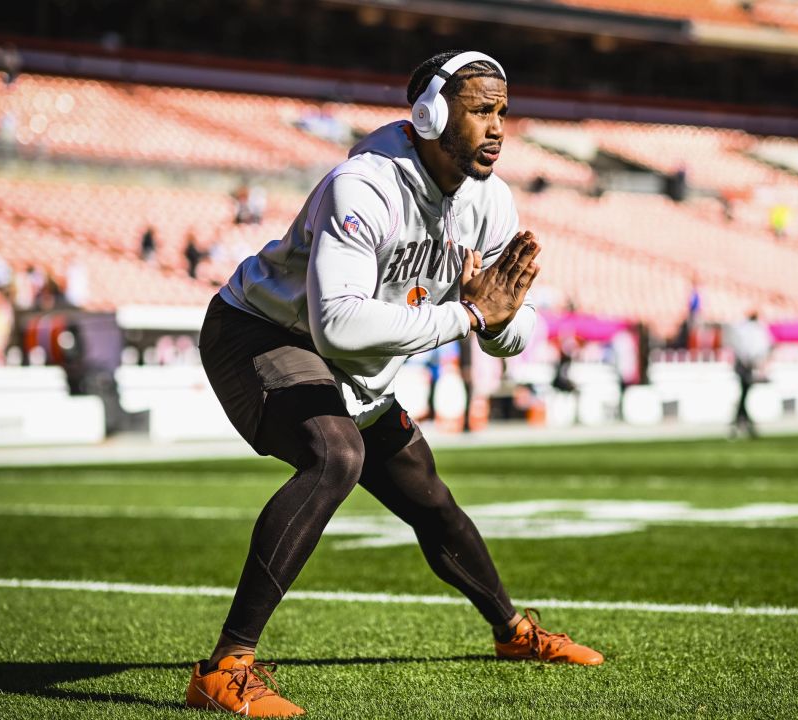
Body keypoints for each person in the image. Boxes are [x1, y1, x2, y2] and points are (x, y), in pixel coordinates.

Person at [188, 50, 603, 717]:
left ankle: (512, 632)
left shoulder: (490, 201)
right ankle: (225, 666)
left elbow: (516, 329)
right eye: (481, 111)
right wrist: (467, 315)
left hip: (346, 361)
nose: (498, 128)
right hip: (259, 334)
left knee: (428, 496)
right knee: (336, 454)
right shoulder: (364, 184)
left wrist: (492, 323)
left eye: (503, 112)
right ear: (431, 114)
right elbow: (336, 325)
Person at [726, 310, 771, 439]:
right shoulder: (754, 330)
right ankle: (745, 424)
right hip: (747, 365)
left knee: (744, 395)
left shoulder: (744, 328)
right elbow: (757, 348)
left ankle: (741, 422)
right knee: (744, 395)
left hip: (743, 365)